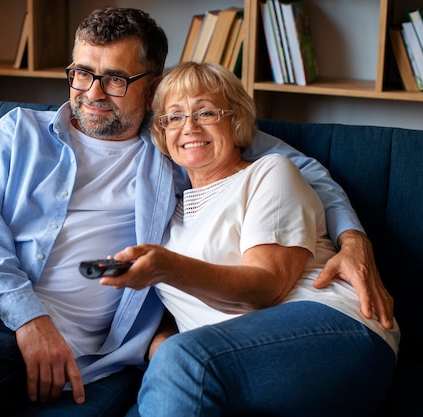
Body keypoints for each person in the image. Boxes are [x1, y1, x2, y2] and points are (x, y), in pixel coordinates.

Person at [0, 7, 393, 417]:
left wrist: (352, 239)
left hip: (65, 332)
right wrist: (27, 315)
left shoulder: (178, 144)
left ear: (151, 86)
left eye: (115, 78)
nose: (92, 92)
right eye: (82, 73)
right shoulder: (19, 131)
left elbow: (305, 171)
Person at [104, 62, 400, 417]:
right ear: (163, 132)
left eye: (206, 112)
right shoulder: (167, 213)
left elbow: (267, 287)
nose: (190, 127)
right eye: (175, 117)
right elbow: (187, 297)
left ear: (236, 120)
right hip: (225, 359)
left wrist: (167, 269)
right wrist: (163, 336)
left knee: (181, 359)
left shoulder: (269, 173)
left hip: (333, 326)